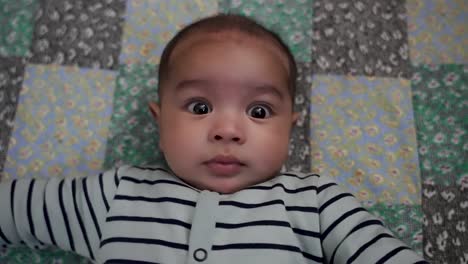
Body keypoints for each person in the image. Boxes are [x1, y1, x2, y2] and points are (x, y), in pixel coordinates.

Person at [0, 14, 427, 264]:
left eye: (259, 112)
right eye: (200, 107)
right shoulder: (115, 195)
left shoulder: (315, 205)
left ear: (291, 128)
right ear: (159, 120)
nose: (226, 130)